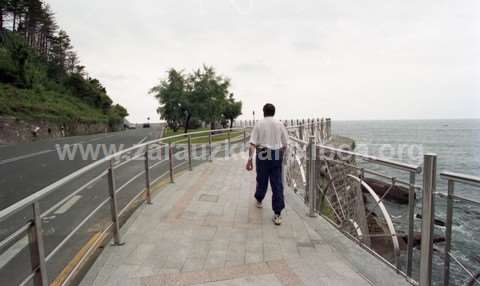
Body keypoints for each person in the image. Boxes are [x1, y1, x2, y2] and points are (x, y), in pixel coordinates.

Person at [246, 103, 289, 225]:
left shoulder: (259, 124)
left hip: (263, 153)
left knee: (262, 179)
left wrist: (249, 160)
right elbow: (286, 144)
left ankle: (259, 200)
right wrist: (282, 156)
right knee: (277, 183)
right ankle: (277, 214)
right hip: (276, 154)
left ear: (263, 111)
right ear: (274, 112)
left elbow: (252, 144)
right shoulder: (279, 124)